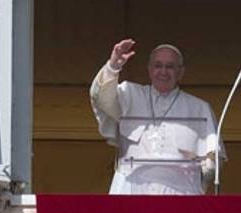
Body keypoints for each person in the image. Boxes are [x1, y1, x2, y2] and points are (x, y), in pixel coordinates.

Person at [89, 38, 222, 195]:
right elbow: (100, 98)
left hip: (180, 193)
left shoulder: (199, 108)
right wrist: (113, 66)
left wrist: (204, 170)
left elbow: (212, 160)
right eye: (158, 66)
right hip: (130, 190)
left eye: (170, 66)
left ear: (180, 72)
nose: (163, 72)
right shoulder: (129, 94)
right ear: (150, 70)